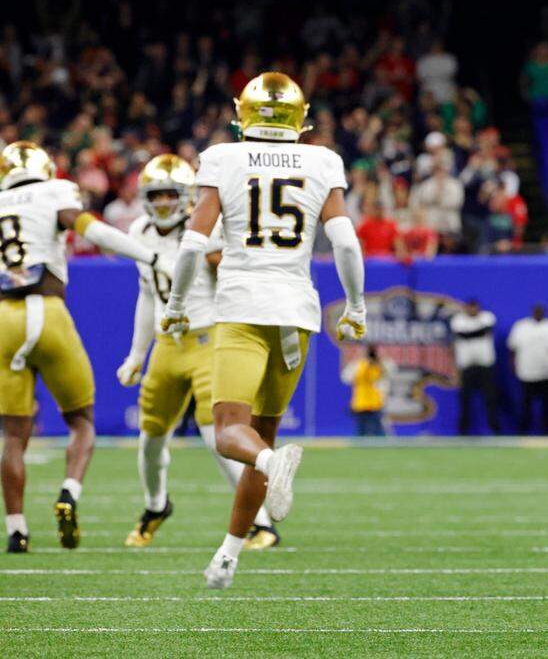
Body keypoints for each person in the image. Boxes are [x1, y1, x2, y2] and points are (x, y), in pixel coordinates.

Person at [160, 72, 366, 588]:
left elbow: (193, 243)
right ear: (301, 117)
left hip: (243, 308)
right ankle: (228, 556)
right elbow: (344, 242)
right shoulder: (323, 160)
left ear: (242, 112)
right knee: (259, 437)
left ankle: (275, 464)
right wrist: (356, 306)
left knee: (231, 434)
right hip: (297, 315)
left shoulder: (222, 157)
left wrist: (177, 303)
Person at [0, 141, 175, 554]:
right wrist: (149, 256)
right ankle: (69, 491)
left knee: (13, 434)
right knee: (81, 420)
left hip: (4, 318)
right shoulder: (54, 191)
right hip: (48, 310)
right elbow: (91, 230)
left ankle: (16, 530)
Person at [115, 155, 280, 550]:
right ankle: (156, 505)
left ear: (187, 195)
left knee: (216, 434)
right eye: (157, 195)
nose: (164, 202)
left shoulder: (208, 226)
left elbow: (236, 277)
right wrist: (136, 354)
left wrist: (224, 263)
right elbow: (146, 295)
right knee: (150, 437)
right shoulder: (138, 231)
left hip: (208, 338)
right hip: (166, 344)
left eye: (171, 194)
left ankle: (260, 521)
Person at [506, 304, 548, 434]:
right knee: (525, 404)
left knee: (547, 405)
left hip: (547, 372)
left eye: (540, 311)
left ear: (545, 312)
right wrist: (513, 365)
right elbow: (512, 349)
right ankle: (523, 431)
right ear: (532, 312)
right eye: (536, 311)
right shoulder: (521, 326)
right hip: (526, 372)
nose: (538, 313)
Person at [450, 298, 499, 434]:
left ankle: (495, 429)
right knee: (464, 399)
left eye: (475, 307)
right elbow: (463, 335)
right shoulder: (458, 320)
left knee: (490, 398)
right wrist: (476, 332)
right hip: (466, 366)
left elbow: (481, 331)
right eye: (470, 307)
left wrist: (470, 334)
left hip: (485, 365)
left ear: (479, 307)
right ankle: (462, 430)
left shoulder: (487, 317)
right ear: (466, 308)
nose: (472, 310)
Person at [344, 348, 388, 437]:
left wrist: (380, 360)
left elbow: (389, 375)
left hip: (375, 403)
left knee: (378, 432)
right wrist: (359, 361)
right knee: (360, 430)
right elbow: (347, 378)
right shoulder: (358, 365)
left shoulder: (379, 365)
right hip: (361, 403)